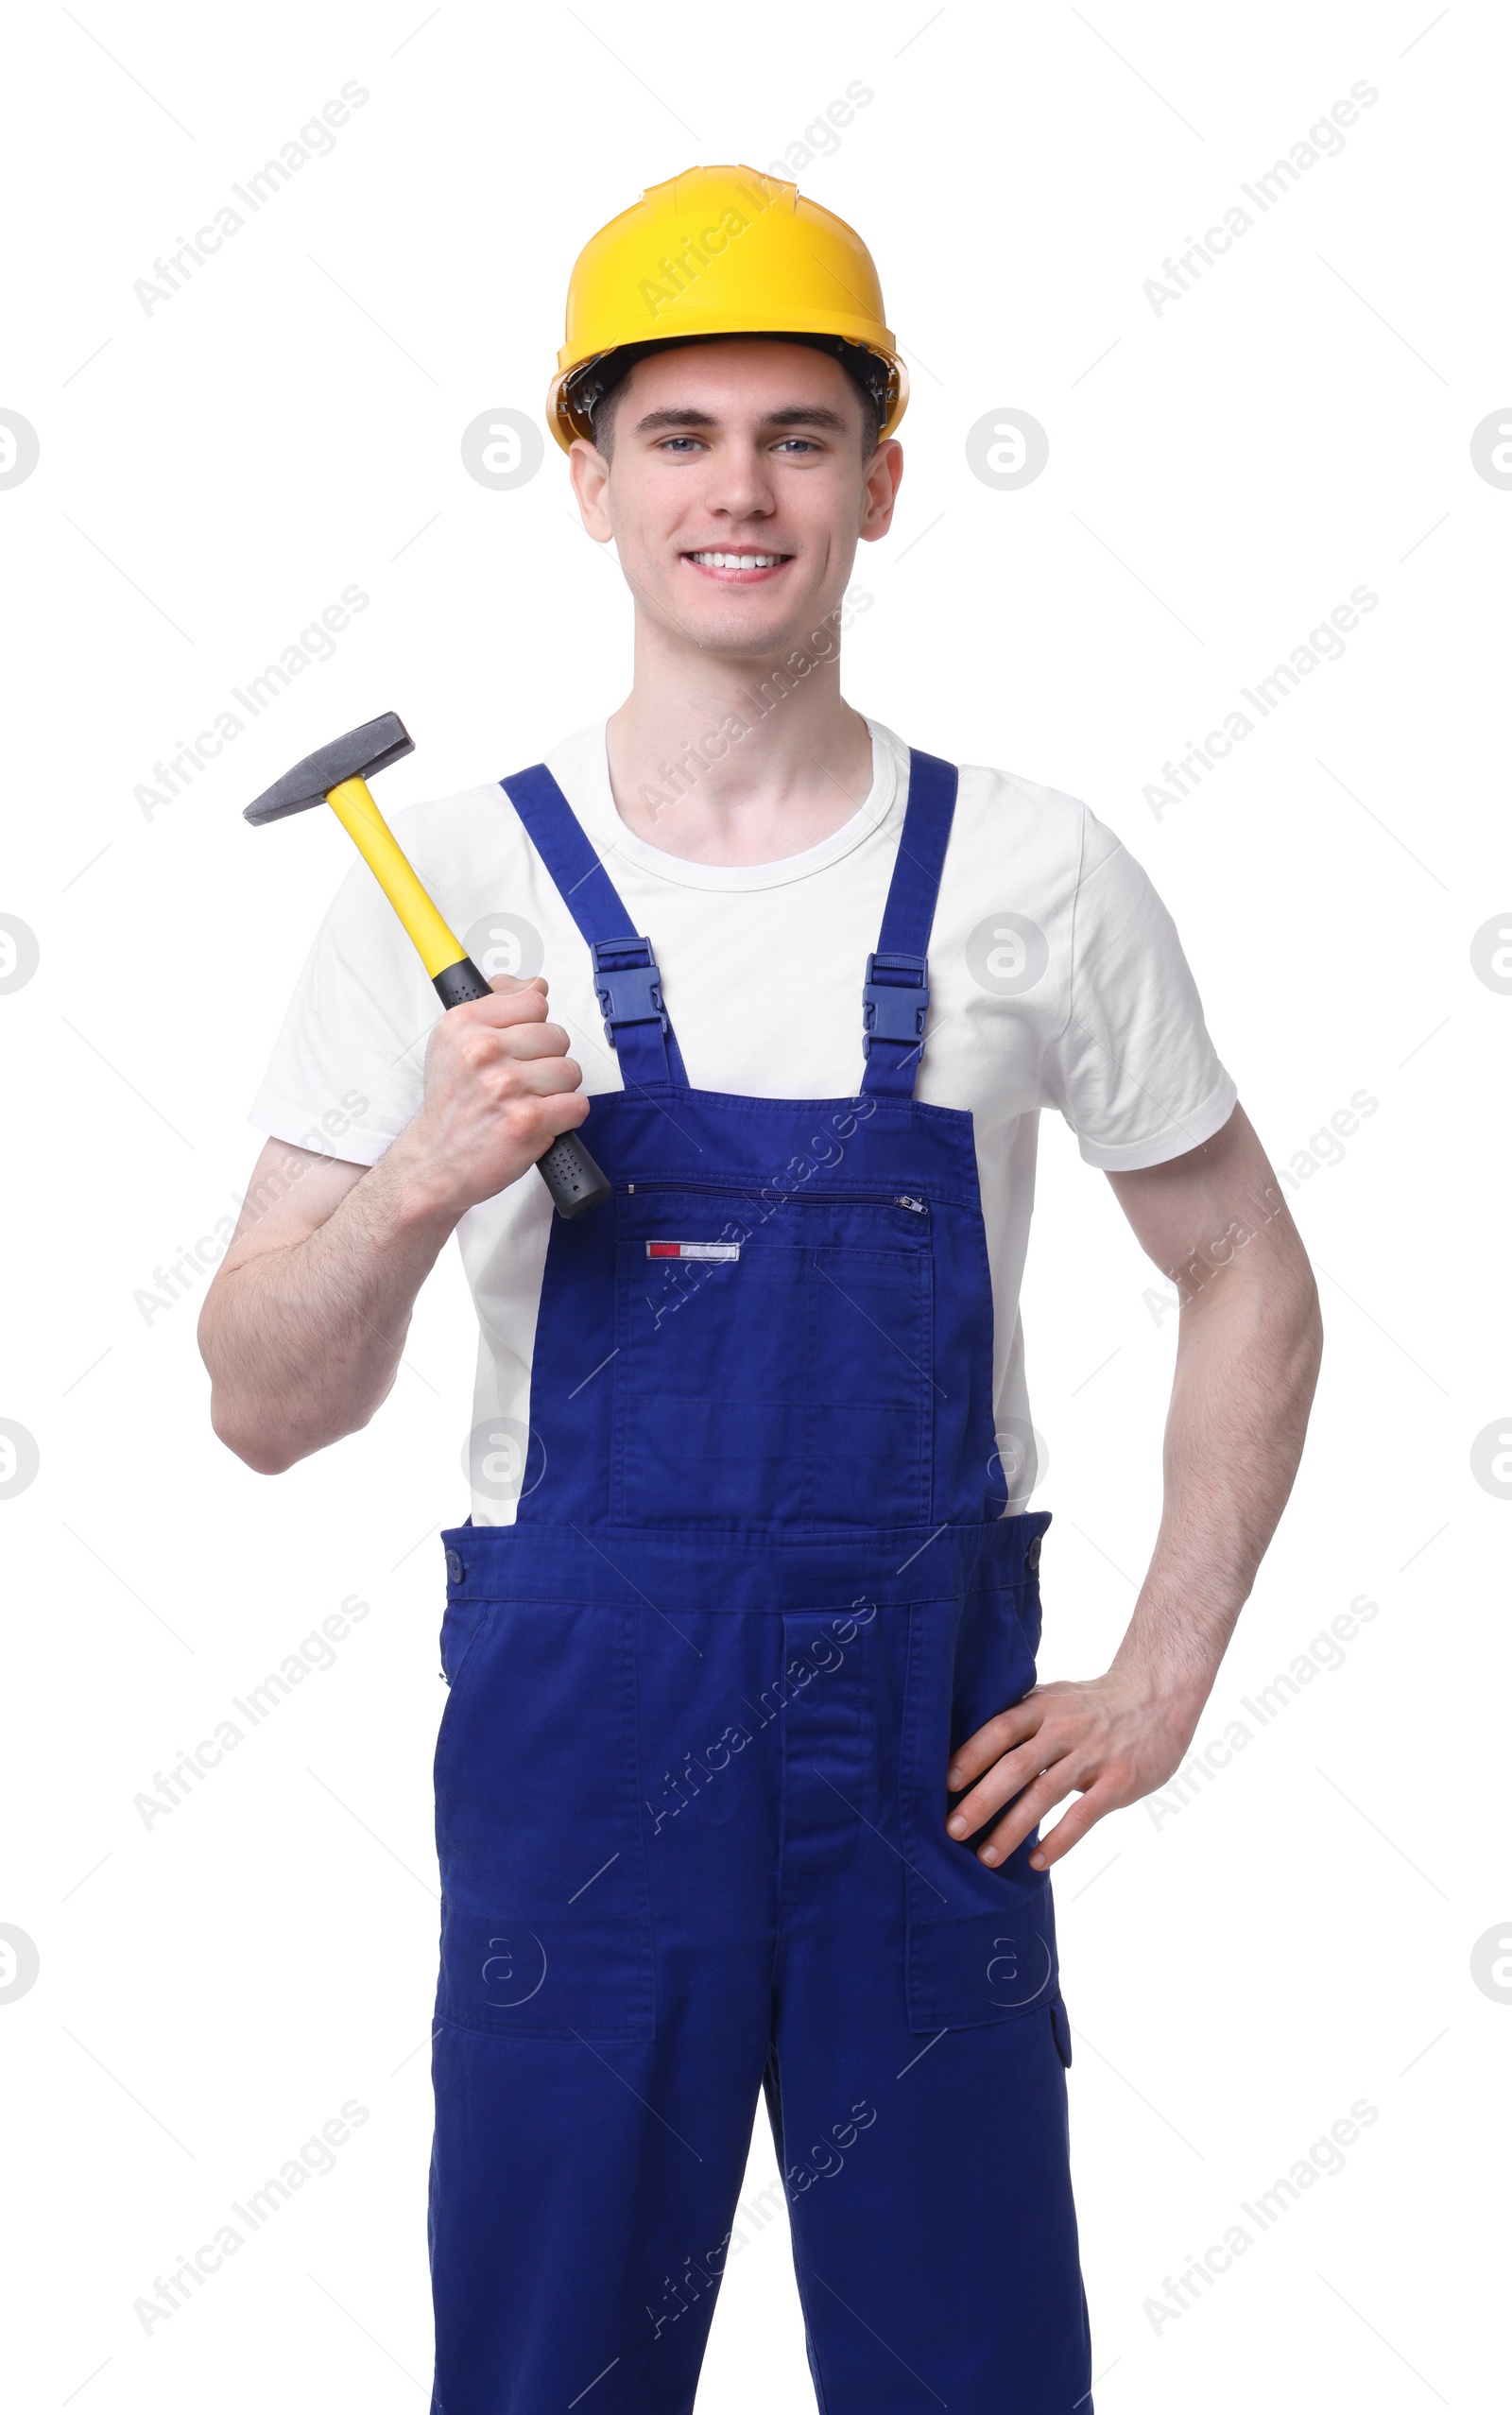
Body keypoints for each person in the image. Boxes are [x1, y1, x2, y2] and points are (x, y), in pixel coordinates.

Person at [199, 166, 1322, 2415]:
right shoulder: (462, 885)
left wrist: (1165, 1671)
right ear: (588, 478)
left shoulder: (1032, 870)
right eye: (683, 436)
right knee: (544, 2379)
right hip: (578, 1778)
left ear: (880, 481)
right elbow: (257, 1395)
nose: (741, 489)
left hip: (926, 1770)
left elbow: (1244, 1276)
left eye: (798, 436)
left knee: (972, 2377)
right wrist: (432, 1163)